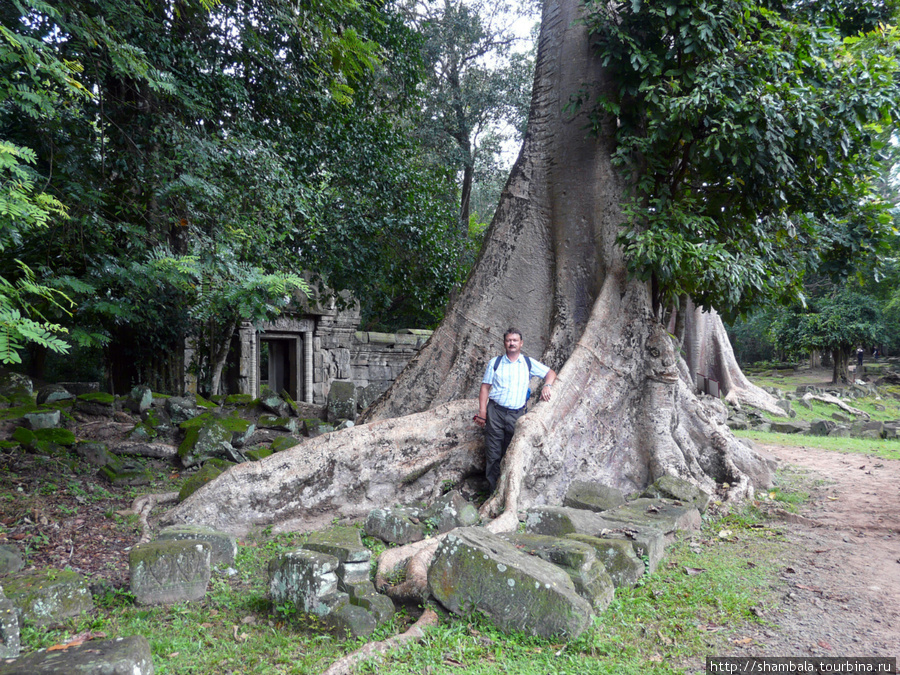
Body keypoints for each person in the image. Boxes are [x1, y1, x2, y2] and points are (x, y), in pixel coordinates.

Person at [473, 328, 556, 492]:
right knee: (493, 453)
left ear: (521, 343)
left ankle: (507, 492)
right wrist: (482, 412)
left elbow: (550, 373)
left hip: (516, 414)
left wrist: (547, 385)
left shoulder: (528, 363)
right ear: (505, 343)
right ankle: (492, 493)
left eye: (515, 340)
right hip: (495, 412)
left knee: (511, 452)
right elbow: (485, 388)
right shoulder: (495, 363)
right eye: (509, 340)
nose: (512, 343)